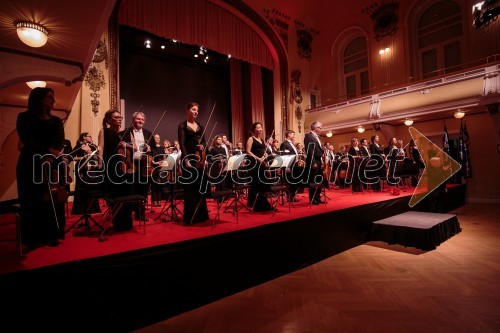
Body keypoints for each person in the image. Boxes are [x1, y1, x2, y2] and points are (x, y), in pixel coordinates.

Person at [16, 87, 66, 249]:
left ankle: (51, 234)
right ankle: (32, 237)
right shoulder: (23, 118)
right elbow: (27, 140)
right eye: (50, 97)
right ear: (39, 99)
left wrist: (52, 155)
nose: (53, 100)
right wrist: (47, 151)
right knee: (31, 200)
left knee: (51, 200)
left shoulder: (56, 120)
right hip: (30, 163)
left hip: (51, 162)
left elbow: (59, 141)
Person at [97, 109, 134, 231]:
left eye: (120, 117)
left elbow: (132, 149)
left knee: (126, 196)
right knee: (116, 197)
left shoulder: (124, 134)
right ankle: (118, 225)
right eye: (116, 117)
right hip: (112, 168)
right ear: (108, 120)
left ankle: (127, 224)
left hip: (124, 168)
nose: (119, 119)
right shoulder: (105, 131)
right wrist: (99, 165)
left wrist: (126, 145)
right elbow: (100, 149)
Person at [178, 102, 209, 224]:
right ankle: (191, 217)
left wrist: (203, 147)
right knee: (190, 189)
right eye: (193, 109)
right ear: (187, 110)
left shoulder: (200, 125)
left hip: (199, 160)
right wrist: (185, 160)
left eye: (197, 110)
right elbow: (182, 144)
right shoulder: (182, 126)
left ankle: (202, 215)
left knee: (199, 188)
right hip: (188, 159)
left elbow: (205, 142)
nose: (196, 112)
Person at [119, 111, 152, 221]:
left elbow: (155, 151)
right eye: (138, 119)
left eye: (142, 119)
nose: (140, 121)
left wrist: (149, 149)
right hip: (130, 164)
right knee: (131, 189)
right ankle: (128, 214)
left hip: (143, 165)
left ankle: (140, 214)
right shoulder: (124, 133)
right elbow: (120, 148)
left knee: (143, 190)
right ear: (133, 120)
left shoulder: (148, 133)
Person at [71, 132, 101, 215]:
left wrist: (90, 153)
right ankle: (80, 209)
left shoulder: (93, 146)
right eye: (89, 136)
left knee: (91, 186)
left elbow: (97, 157)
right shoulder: (78, 147)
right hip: (81, 167)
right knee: (81, 186)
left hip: (91, 168)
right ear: (84, 137)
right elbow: (72, 157)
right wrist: (83, 157)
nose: (91, 137)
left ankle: (93, 208)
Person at [245, 122, 272, 212]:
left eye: (261, 127)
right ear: (254, 129)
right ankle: (256, 205)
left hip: (262, 165)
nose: (260, 129)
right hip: (254, 165)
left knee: (262, 185)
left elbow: (262, 152)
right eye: (258, 128)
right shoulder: (251, 139)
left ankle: (261, 204)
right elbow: (248, 151)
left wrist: (265, 157)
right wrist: (258, 159)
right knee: (256, 185)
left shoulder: (262, 140)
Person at [304, 121, 325, 204]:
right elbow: (309, 151)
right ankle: (313, 199)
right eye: (320, 127)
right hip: (314, 161)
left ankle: (318, 197)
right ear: (315, 128)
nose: (321, 129)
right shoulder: (309, 136)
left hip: (319, 160)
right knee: (313, 180)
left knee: (319, 179)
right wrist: (313, 162)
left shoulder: (318, 137)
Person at [280, 130, 300, 202]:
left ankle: (293, 196)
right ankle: (290, 197)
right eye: (293, 134)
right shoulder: (284, 144)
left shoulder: (292, 144)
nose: (294, 136)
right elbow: (284, 156)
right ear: (288, 134)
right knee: (290, 181)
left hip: (295, 165)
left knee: (294, 181)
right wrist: (287, 166)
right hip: (289, 165)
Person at [150, 134, 164, 207]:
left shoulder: (162, 148)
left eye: (159, 138)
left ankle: (159, 200)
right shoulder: (152, 148)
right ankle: (155, 201)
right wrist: (156, 163)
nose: (158, 139)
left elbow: (164, 158)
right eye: (156, 138)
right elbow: (150, 158)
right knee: (154, 185)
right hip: (153, 168)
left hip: (160, 168)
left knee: (159, 185)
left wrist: (162, 163)